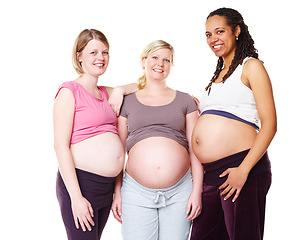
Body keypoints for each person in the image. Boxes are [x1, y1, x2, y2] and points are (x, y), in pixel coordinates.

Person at [190, 8, 277, 240]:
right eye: (208, 34)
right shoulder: (217, 76)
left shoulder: (251, 66)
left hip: (240, 166)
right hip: (211, 174)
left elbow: (270, 125)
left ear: (236, 30)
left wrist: (244, 170)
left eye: (220, 31)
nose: (213, 39)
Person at [111, 40, 203, 240]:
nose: (160, 63)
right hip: (136, 192)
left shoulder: (186, 100)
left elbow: (196, 150)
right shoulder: (127, 101)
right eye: (155, 57)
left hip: (180, 191)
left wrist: (197, 191)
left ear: (171, 65)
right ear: (143, 61)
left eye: (166, 60)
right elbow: (118, 152)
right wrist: (117, 192)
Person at [53, 29, 138, 240]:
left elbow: (143, 87)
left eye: (105, 52)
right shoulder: (69, 92)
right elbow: (60, 146)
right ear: (79, 56)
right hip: (81, 184)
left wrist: (119, 89)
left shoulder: (106, 93)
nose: (100, 58)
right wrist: (76, 197)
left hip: (106, 187)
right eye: (93, 52)